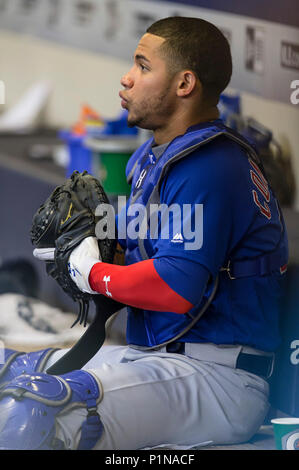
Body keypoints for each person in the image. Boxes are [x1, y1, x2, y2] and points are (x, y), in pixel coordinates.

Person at [0, 16, 288, 450]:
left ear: (184, 83)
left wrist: (93, 273)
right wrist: (90, 253)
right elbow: (144, 265)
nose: (127, 77)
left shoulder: (208, 164)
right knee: (8, 371)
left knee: (31, 412)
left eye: (143, 66)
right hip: (157, 359)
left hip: (218, 380)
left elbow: (175, 287)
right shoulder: (153, 159)